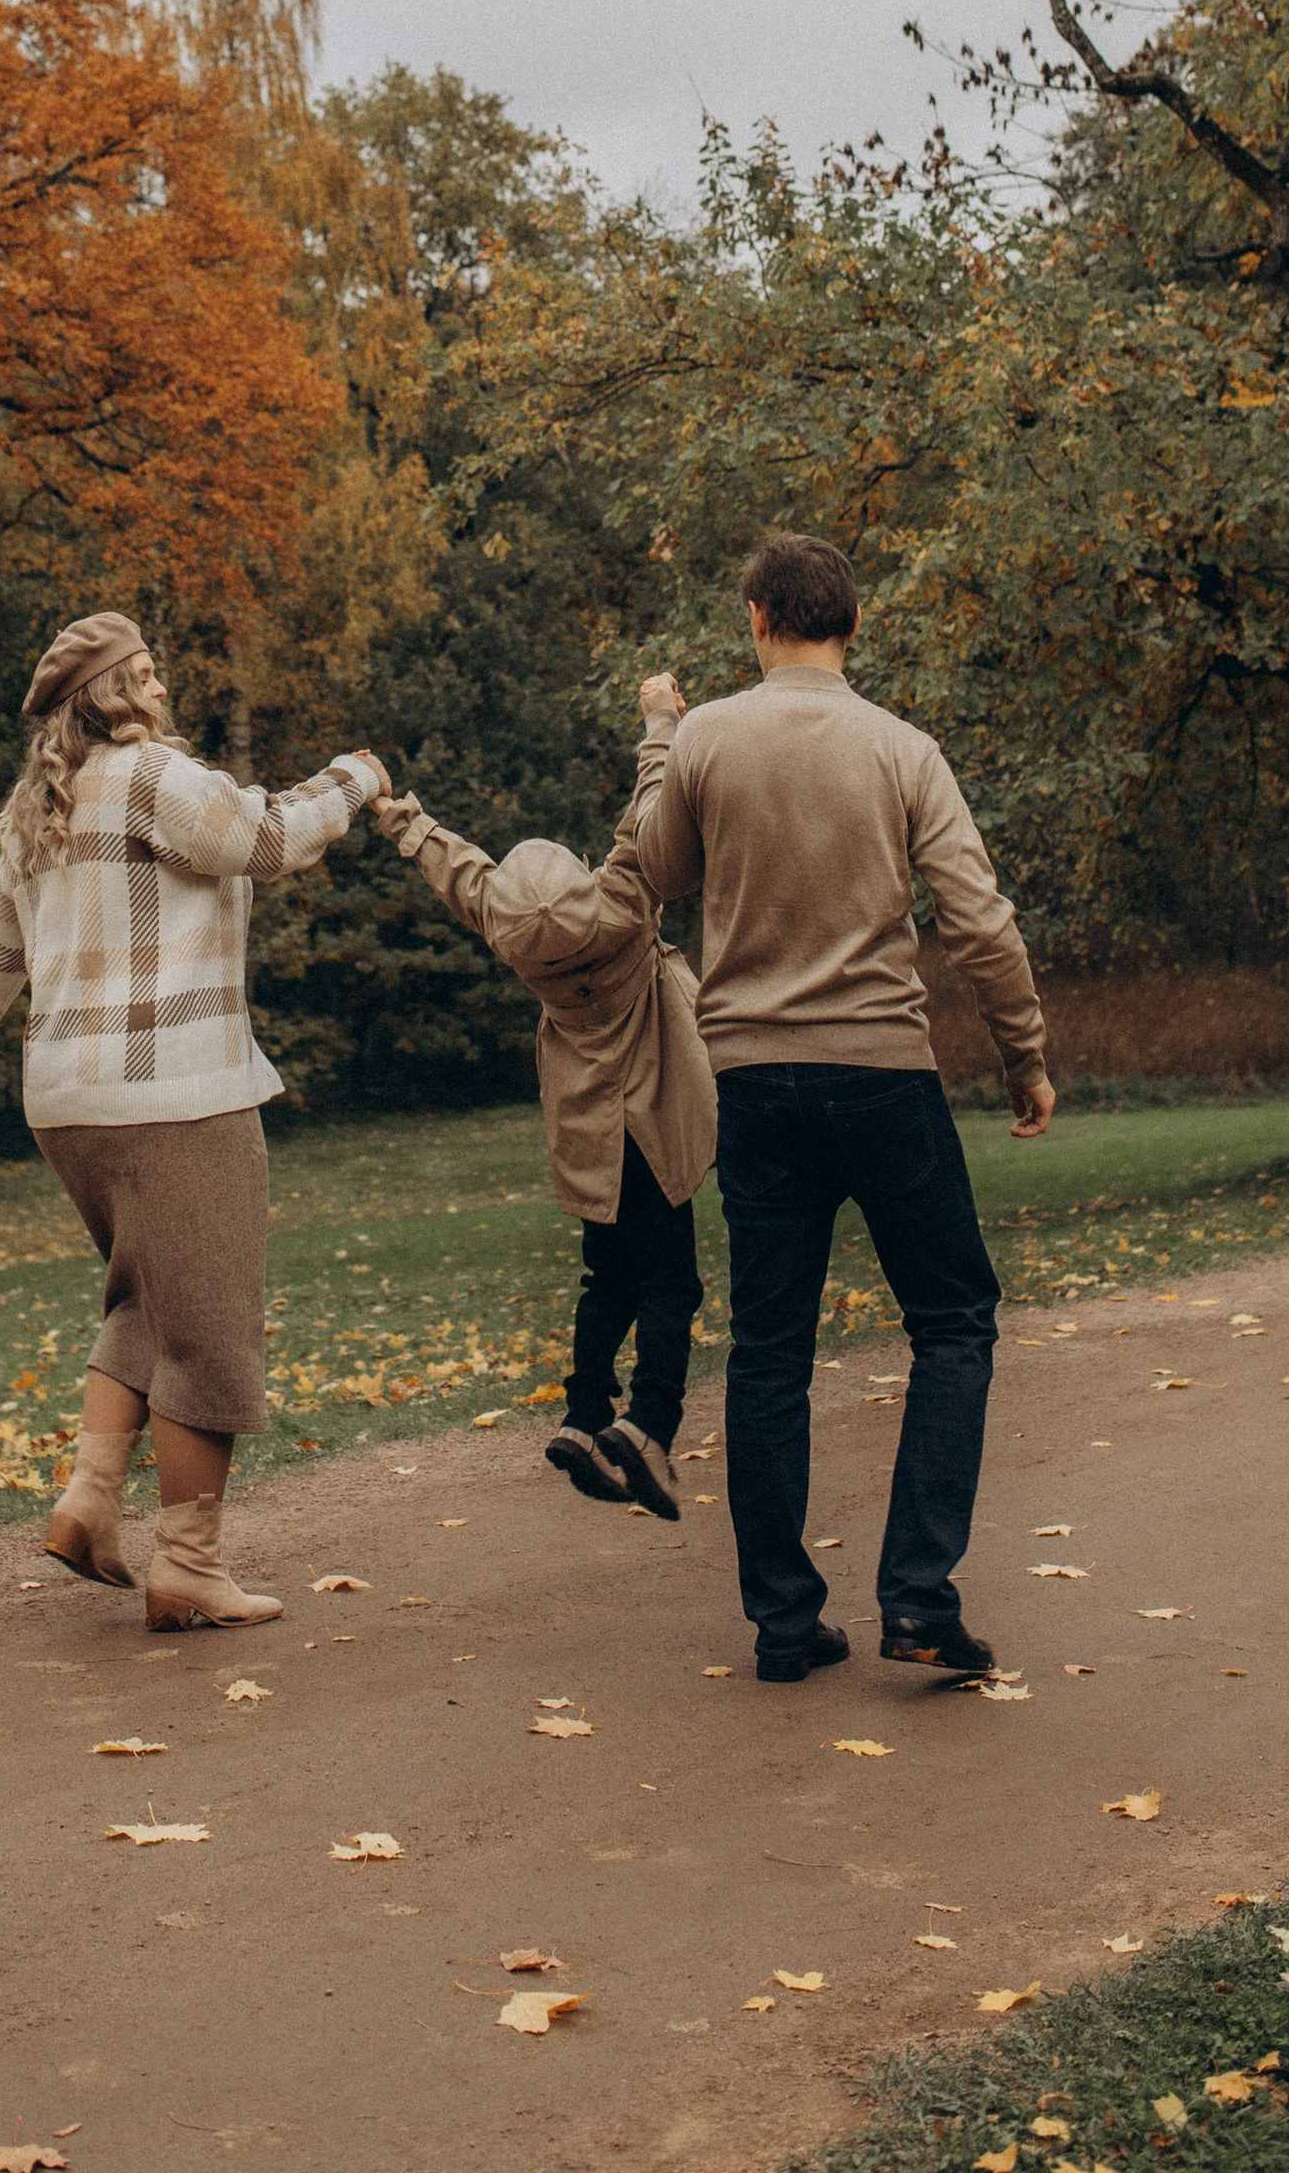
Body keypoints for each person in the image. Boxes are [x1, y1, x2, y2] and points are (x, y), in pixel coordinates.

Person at [0, 611, 385, 1632]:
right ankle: (189, 1564)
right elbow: (267, 838)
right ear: (115, 693)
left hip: (68, 1105)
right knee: (209, 1330)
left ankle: (87, 1502)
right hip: (176, 1094)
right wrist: (354, 779)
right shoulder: (151, 779)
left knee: (145, 1301)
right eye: (148, 675)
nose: (163, 689)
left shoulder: (34, 811)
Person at [632, 532, 1053, 1685]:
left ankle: (783, 1623)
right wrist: (1023, 1055)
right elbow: (977, 920)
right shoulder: (903, 749)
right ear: (849, 626)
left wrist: (661, 734)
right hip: (882, 1076)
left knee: (770, 1347)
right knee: (954, 1320)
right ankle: (916, 1594)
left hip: (753, 1084)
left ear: (757, 619)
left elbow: (653, 871)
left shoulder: (709, 735)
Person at [366, 674, 715, 1521]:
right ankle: (648, 1426)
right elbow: (650, 805)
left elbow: (458, 871)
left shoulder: (509, 934)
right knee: (672, 1284)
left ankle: (585, 1410)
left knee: (607, 1279)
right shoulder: (626, 904)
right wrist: (660, 716)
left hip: (589, 1128)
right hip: (656, 1120)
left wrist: (396, 812)